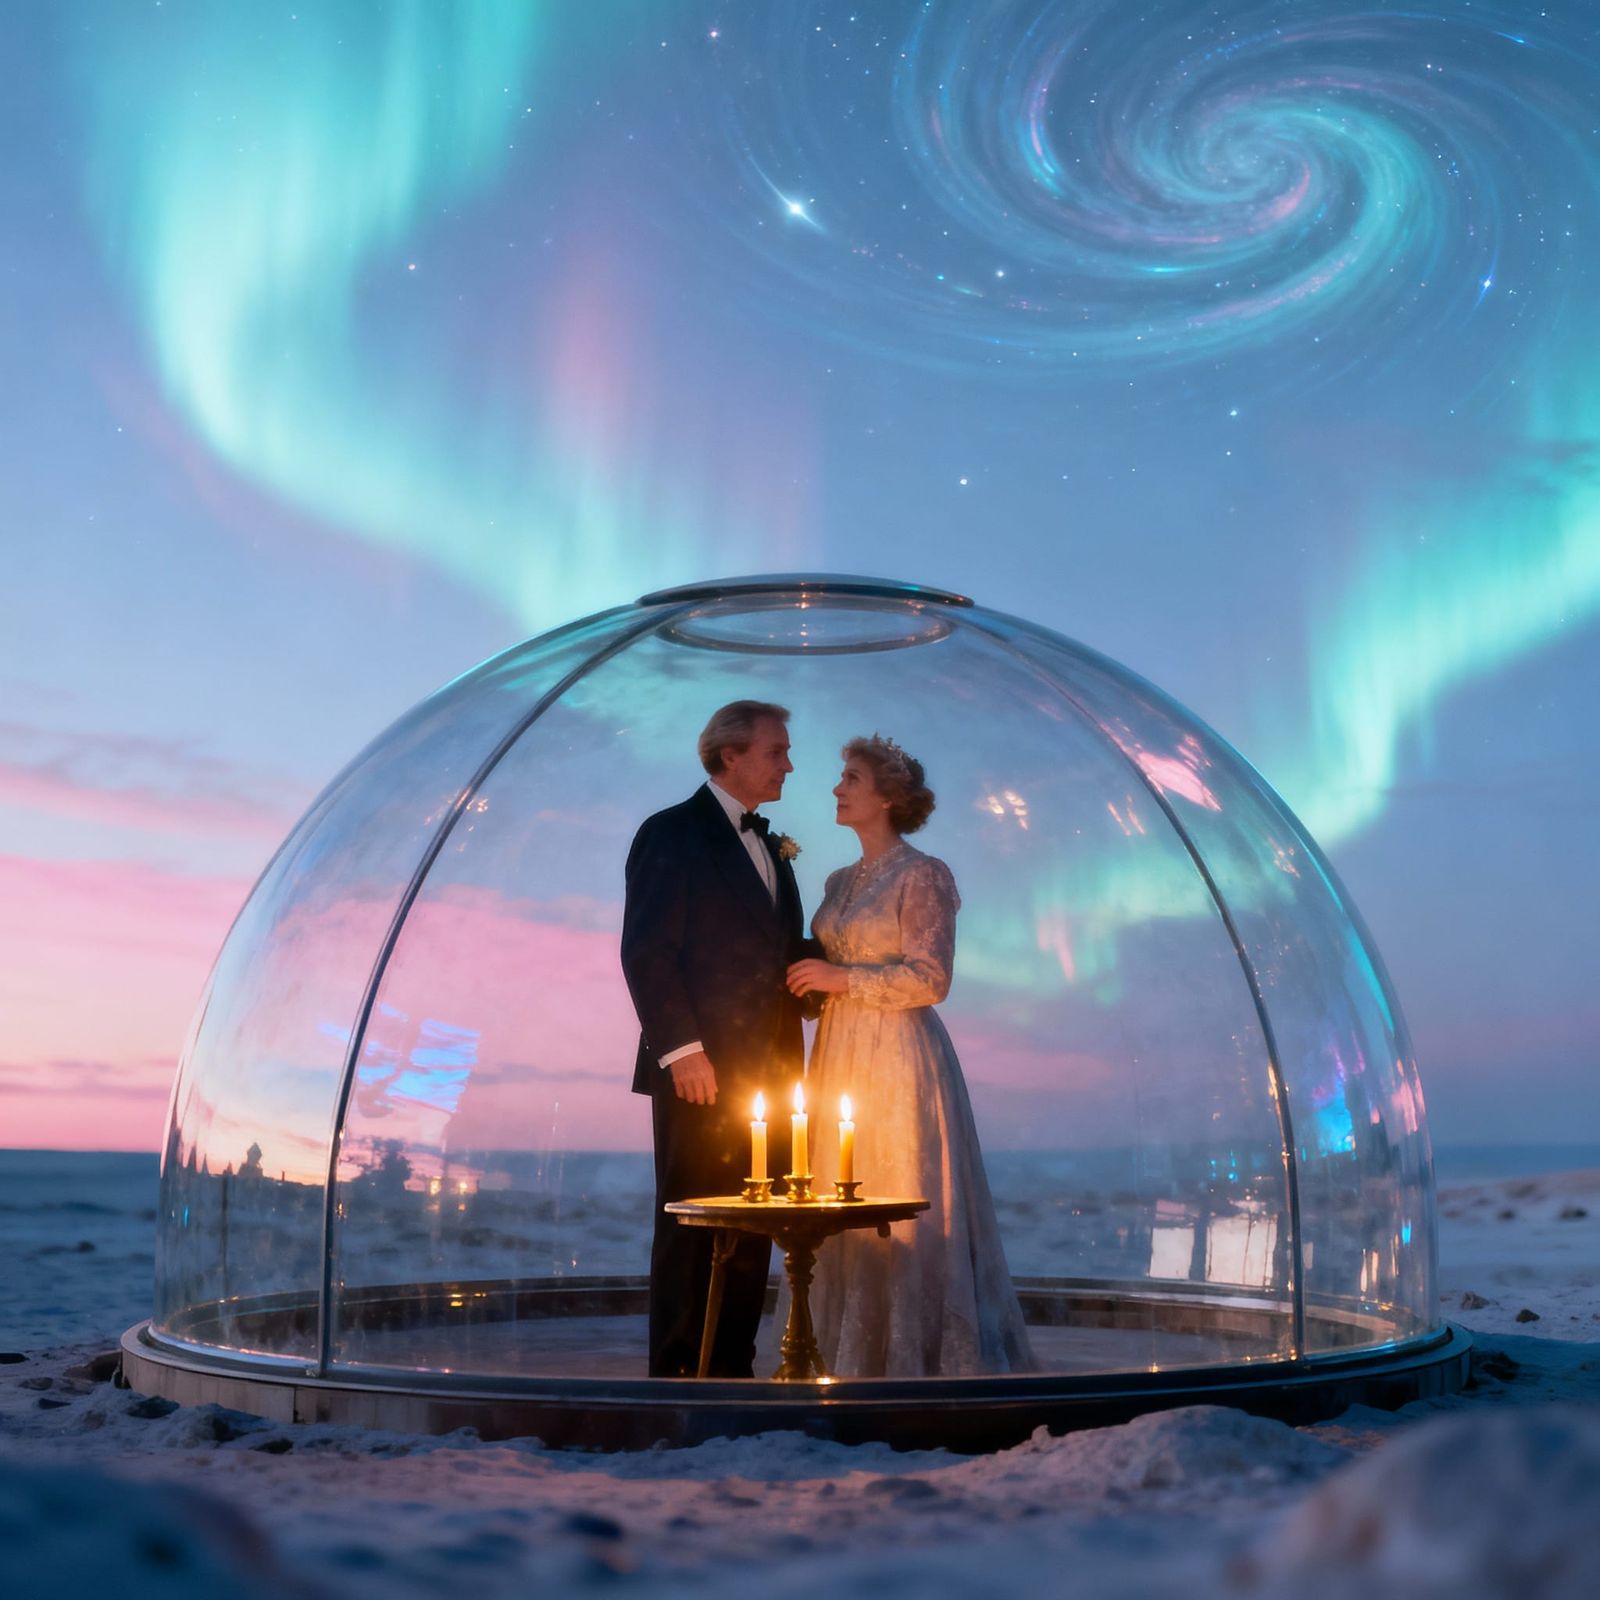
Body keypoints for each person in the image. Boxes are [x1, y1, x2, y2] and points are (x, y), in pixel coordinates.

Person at [785, 735, 1033, 1377]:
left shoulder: (924, 873)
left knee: (896, 1184)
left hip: (896, 1053)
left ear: (889, 797)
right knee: (837, 1191)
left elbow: (931, 979)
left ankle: (916, 1352)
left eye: (852, 778)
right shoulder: (840, 880)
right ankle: (838, 1348)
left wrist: (842, 981)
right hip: (839, 1049)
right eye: (840, 778)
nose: (837, 789)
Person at [621, 700, 806, 1378]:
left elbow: (781, 956)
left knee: (753, 1227)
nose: (789, 763)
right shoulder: (671, 833)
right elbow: (647, 952)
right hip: (699, 1069)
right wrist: (682, 1051)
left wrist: (854, 975)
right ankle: (677, 1373)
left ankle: (731, 1368)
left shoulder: (774, 848)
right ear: (732, 755)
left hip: (774, 1075)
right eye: (777, 750)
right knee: (691, 1225)